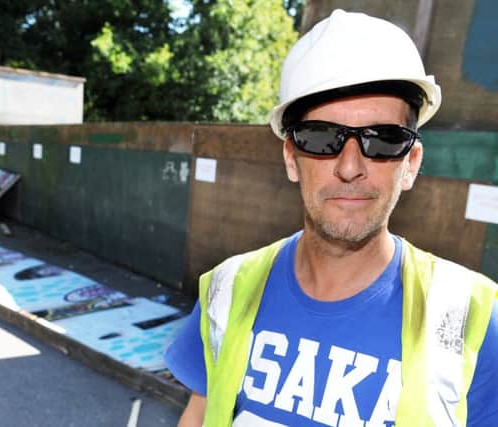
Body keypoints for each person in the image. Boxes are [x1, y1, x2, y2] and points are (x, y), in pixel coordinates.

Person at [164, 9, 498, 427]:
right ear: (291, 157)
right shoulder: (226, 291)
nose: (350, 166)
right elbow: (197, 415)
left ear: (411, 163)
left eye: (383, 139)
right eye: (322, 138)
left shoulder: (476, 322)